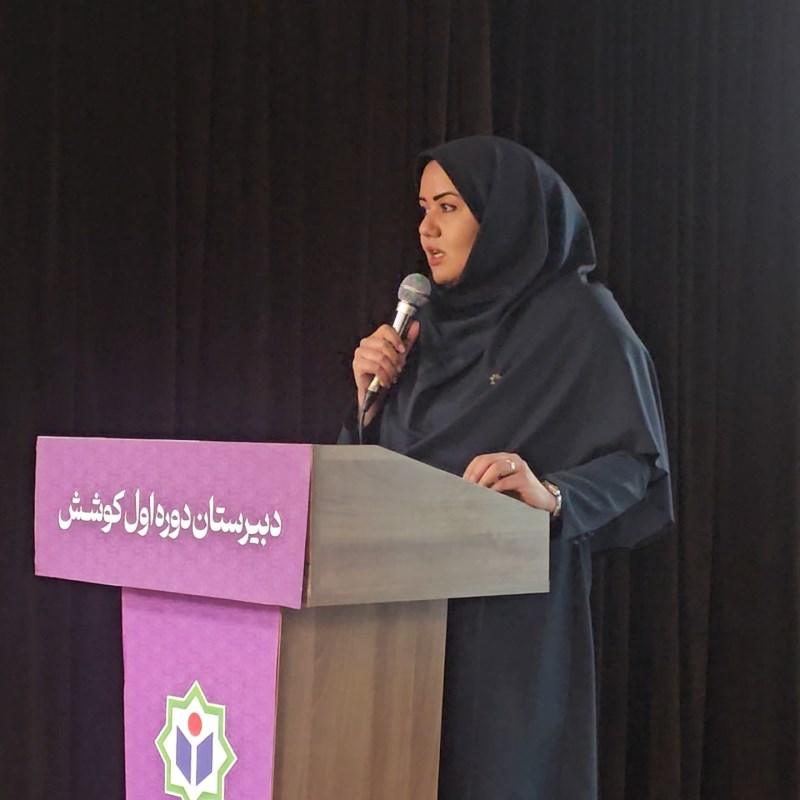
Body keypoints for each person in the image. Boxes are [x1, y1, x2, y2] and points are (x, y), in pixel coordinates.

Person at [339, 136, 673, 800]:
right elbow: (379, 479)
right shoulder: (423, 332)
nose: (426, 229)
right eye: (423, 209)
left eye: (449, 207)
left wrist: (553, 495)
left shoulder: (581, 320)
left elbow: (639, 462)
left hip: (508, 626)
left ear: (503, 218)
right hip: (404, 614)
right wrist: (367, 406)